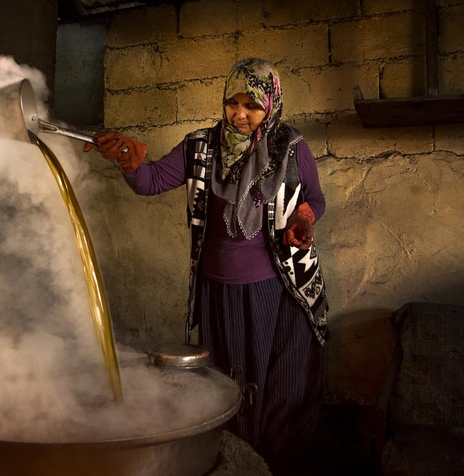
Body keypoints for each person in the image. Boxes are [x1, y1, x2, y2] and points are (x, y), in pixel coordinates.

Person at [84, 58, 329, 471]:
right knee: (226, 384)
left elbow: (316, 199)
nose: (240, 114)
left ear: (271, 103)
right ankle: (236, 462)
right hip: (218, 286)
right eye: (232, 103)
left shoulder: (290, 145)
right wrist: (128, 160)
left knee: (279, 383)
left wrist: (304, 218)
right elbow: (153, 180)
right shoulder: (201, 145)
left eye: (251, 105)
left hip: (276, 286)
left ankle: (277, 464)